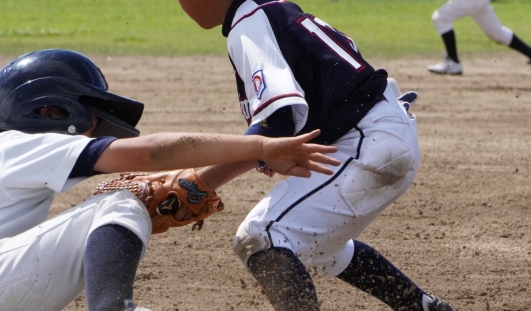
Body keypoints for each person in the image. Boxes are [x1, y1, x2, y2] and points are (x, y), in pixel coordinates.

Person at [141, 0, 453, 310]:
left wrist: (201, 182)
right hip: (375, 135)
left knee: (261, 236)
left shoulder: (248, 25)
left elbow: (278, 122)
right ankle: (423, 306)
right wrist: (272, 153)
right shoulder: (273, 10)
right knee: (319, 247)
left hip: (366, 142)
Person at [0, 49, 340, 311]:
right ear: (48, 110)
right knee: (119, 201)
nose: (91, 132)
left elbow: (169, 190)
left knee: (125, 205)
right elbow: (153, 153)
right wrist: (262, 146)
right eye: (90, 119)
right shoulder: (16, 144)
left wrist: (254, 157)